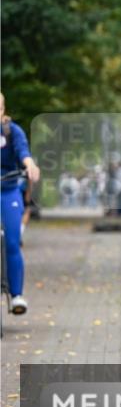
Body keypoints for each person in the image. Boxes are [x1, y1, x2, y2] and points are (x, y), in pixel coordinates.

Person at [0, 92, 42, 315]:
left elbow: (24, 152)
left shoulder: (11, 131)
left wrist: (30, 166)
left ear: (3, 109)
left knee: (12, 242)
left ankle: (16, 294)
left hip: (7, 192)